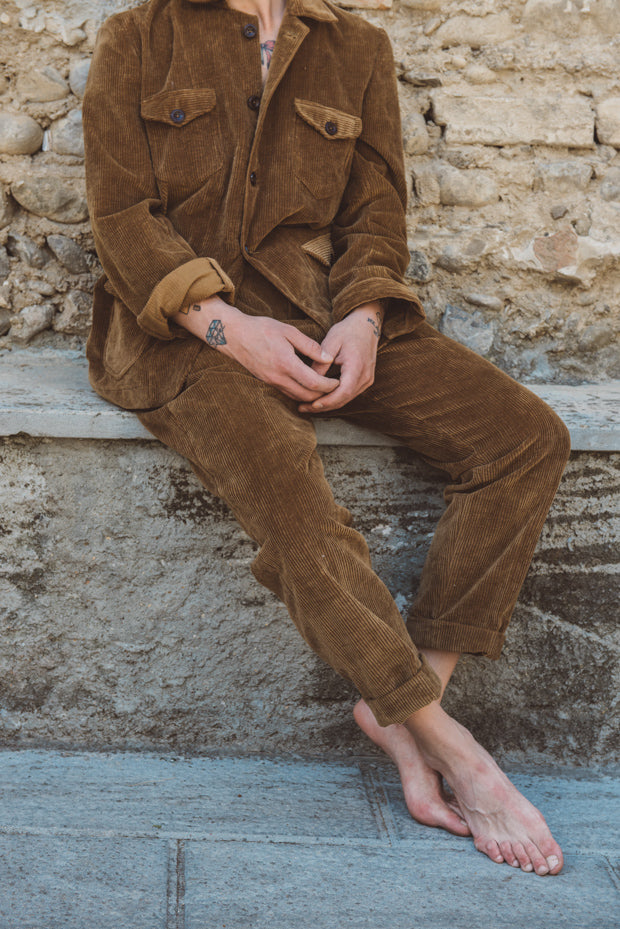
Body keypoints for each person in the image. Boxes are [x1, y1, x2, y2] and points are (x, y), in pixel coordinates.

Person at [83, 0, 571, 876]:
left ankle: (409, 693)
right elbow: (121, 219)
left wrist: (366, 315)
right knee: (289, 482)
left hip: (326, 315)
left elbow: (375, 214)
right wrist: (234, 330)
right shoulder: (138, 36)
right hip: (185, 333)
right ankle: (448, 743)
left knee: (523, 436)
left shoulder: (359, 47)